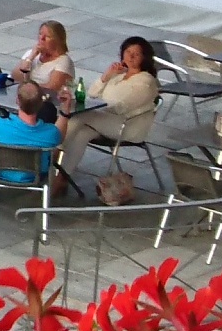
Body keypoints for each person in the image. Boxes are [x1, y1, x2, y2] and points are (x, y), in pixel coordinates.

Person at [66, 35, 165, 204]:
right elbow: (92, 93)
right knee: (82, 132)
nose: (131, 57)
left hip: (127, 126)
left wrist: (96, 108)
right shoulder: (119, 75)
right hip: (107, 121)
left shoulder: (146, 81)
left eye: (136, 54)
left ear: (144, 58)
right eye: (128, 52)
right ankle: (62, 176)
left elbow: (122, 107)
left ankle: (50, 150)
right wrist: (107, 76)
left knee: (81, 115)